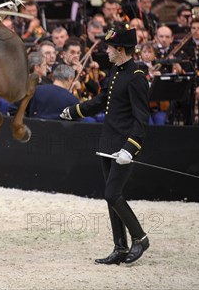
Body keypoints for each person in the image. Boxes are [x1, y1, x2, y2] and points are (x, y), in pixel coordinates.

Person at [60, 25, 150, 265]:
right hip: (108, 142)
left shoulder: (137, 76)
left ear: (120, 49)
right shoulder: (116, 71)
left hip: (123, 146)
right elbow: (101, 101)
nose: (106, 51)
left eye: (110, 47)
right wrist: (74, 111)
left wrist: (130, 149)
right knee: (111, 198)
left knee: (112, 193)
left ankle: (139, 238)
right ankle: (120, 247)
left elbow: (142, 120)